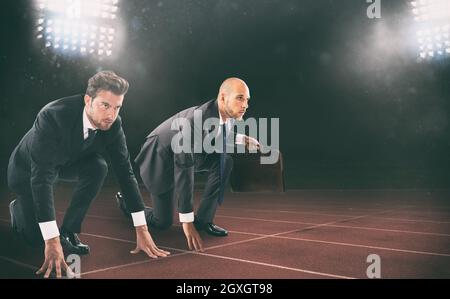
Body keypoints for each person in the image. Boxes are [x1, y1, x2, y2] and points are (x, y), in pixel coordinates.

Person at [7, 71, 169, 279]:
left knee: (98, 167)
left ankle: (69, 230)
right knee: (35, 240)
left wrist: (141, 227)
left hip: (66, 162)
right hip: (26, 170)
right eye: (105, 105)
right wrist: (51, 240)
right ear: (88, 100)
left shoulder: (113, 124)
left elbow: (125, 171)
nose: (111, 114)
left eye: (117, 107)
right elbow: (41, 177)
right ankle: (18, 208)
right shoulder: (52, 116)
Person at [116, 78, 260, 251]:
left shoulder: (224, 116)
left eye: (247, 100)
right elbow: (184, 167)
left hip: (186, 153)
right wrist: (186, 220)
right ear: (223, 98)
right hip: (160, 159)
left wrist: (241, 138)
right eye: (240, 98)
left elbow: (216, 132)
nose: (245, 105)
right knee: (162, 222)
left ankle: (204, 221)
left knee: (224, 160)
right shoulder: (196, 120)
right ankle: (127, 204)